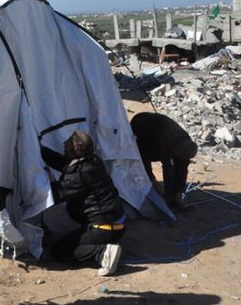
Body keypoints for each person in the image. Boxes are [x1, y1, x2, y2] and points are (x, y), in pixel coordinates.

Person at [40, 130, 125, 277]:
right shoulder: (92, 161)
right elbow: (63, 164)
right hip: (117, 222)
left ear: (74, 151)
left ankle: (102, 253)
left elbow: (55, 194)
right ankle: (102, 244)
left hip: (104, 227)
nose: (64, 144)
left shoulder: (78, 175)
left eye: (67, 143)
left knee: (60, 252)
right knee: (71, 212)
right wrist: (40, 150)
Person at [130, 112, 198, 211]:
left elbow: (182, 169)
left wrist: (179, 192)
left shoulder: (186, 143)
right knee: (142, 155)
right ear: (175, 151)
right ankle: (149, 181)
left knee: (177, 168)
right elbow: (167, 167)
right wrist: (155, 182)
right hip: (140, 125)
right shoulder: (165, 142)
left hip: (160, 128)